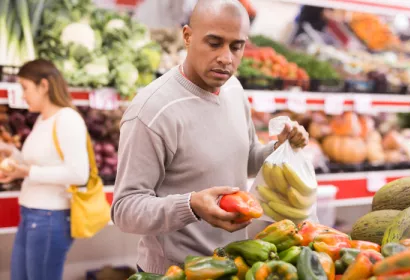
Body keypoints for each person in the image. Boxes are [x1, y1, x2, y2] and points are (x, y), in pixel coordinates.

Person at [111, 0, 309, 274]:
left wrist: (280, 147)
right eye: (214, 43)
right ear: (188, 37)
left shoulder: (233, 89)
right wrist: (191, 205)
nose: (227, 58)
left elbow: (246, 159)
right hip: (175, 272)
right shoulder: (152, 111)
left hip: (233, 265)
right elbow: (125, 211)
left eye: (236, 46)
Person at [0, 59, 89, 280]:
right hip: (30, 214)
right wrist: (10, 151)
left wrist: (27, 173)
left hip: (50, 217)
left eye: (25, 88)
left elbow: (78, 174)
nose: (23, 95)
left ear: (44, 86)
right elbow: (39, 162)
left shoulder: (68, 119)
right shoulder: (43, 120)